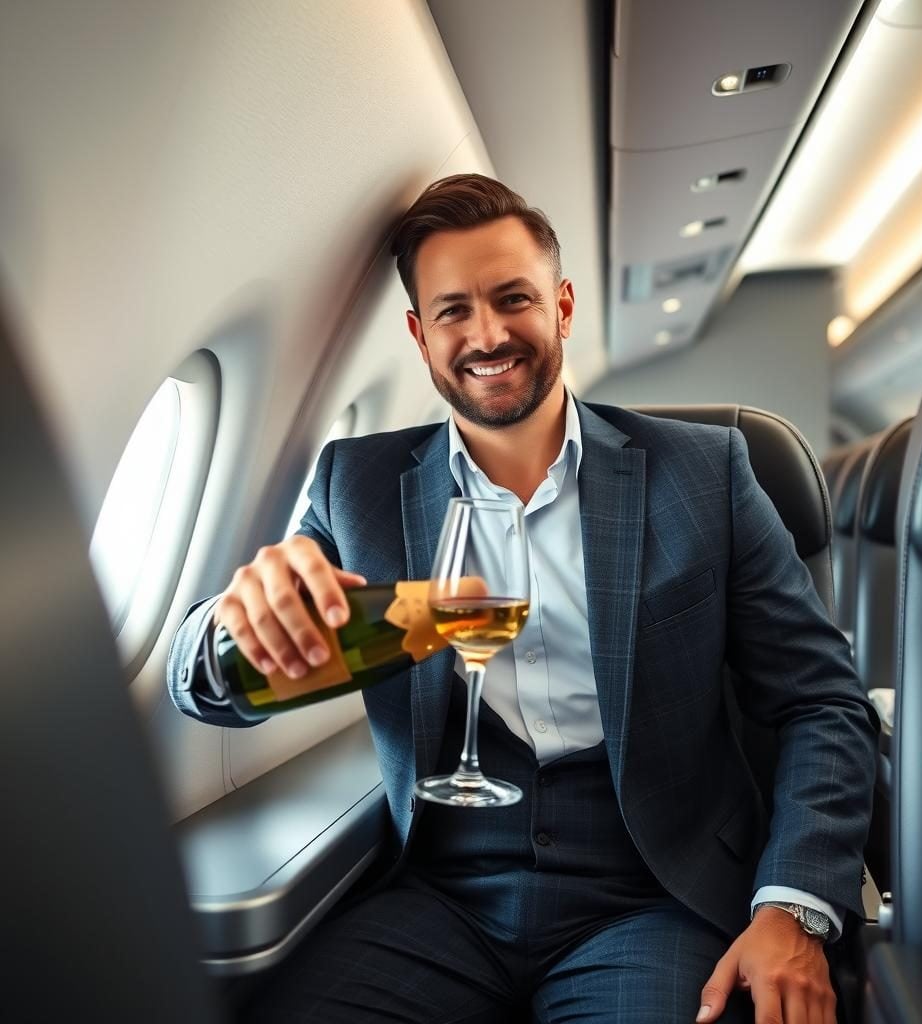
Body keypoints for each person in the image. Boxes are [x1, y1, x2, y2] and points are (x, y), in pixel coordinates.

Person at [169, 174, 878, 1024]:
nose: (487, 334)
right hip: (441, 895)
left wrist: (790, 908)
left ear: (563, 307)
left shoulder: (708, 472)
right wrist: (234, 623)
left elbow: (822, 703)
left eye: (513, 299)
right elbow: (207, 688)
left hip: (653, 892)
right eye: (453, 311)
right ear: (419, 336)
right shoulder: (356, 485)